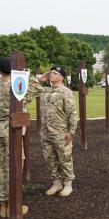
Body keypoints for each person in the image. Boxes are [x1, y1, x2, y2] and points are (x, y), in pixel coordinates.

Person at [0, 57, 28, 218]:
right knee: (15, 165)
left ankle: (2, 205)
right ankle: (13, 204)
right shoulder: (19, 87)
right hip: (12, 131)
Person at [26, 66, 77, 197]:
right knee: (50, 159)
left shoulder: (66, 92)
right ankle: (56, 183)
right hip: (46, 132)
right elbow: (27, 89)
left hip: (61, 132)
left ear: (61, 77)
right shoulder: (44, 91)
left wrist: (71, 132)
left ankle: (68, 185)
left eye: (55, 73)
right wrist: (40, 77)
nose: (52, 75)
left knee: (64, 158)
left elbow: (72, 113)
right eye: (51, 73)